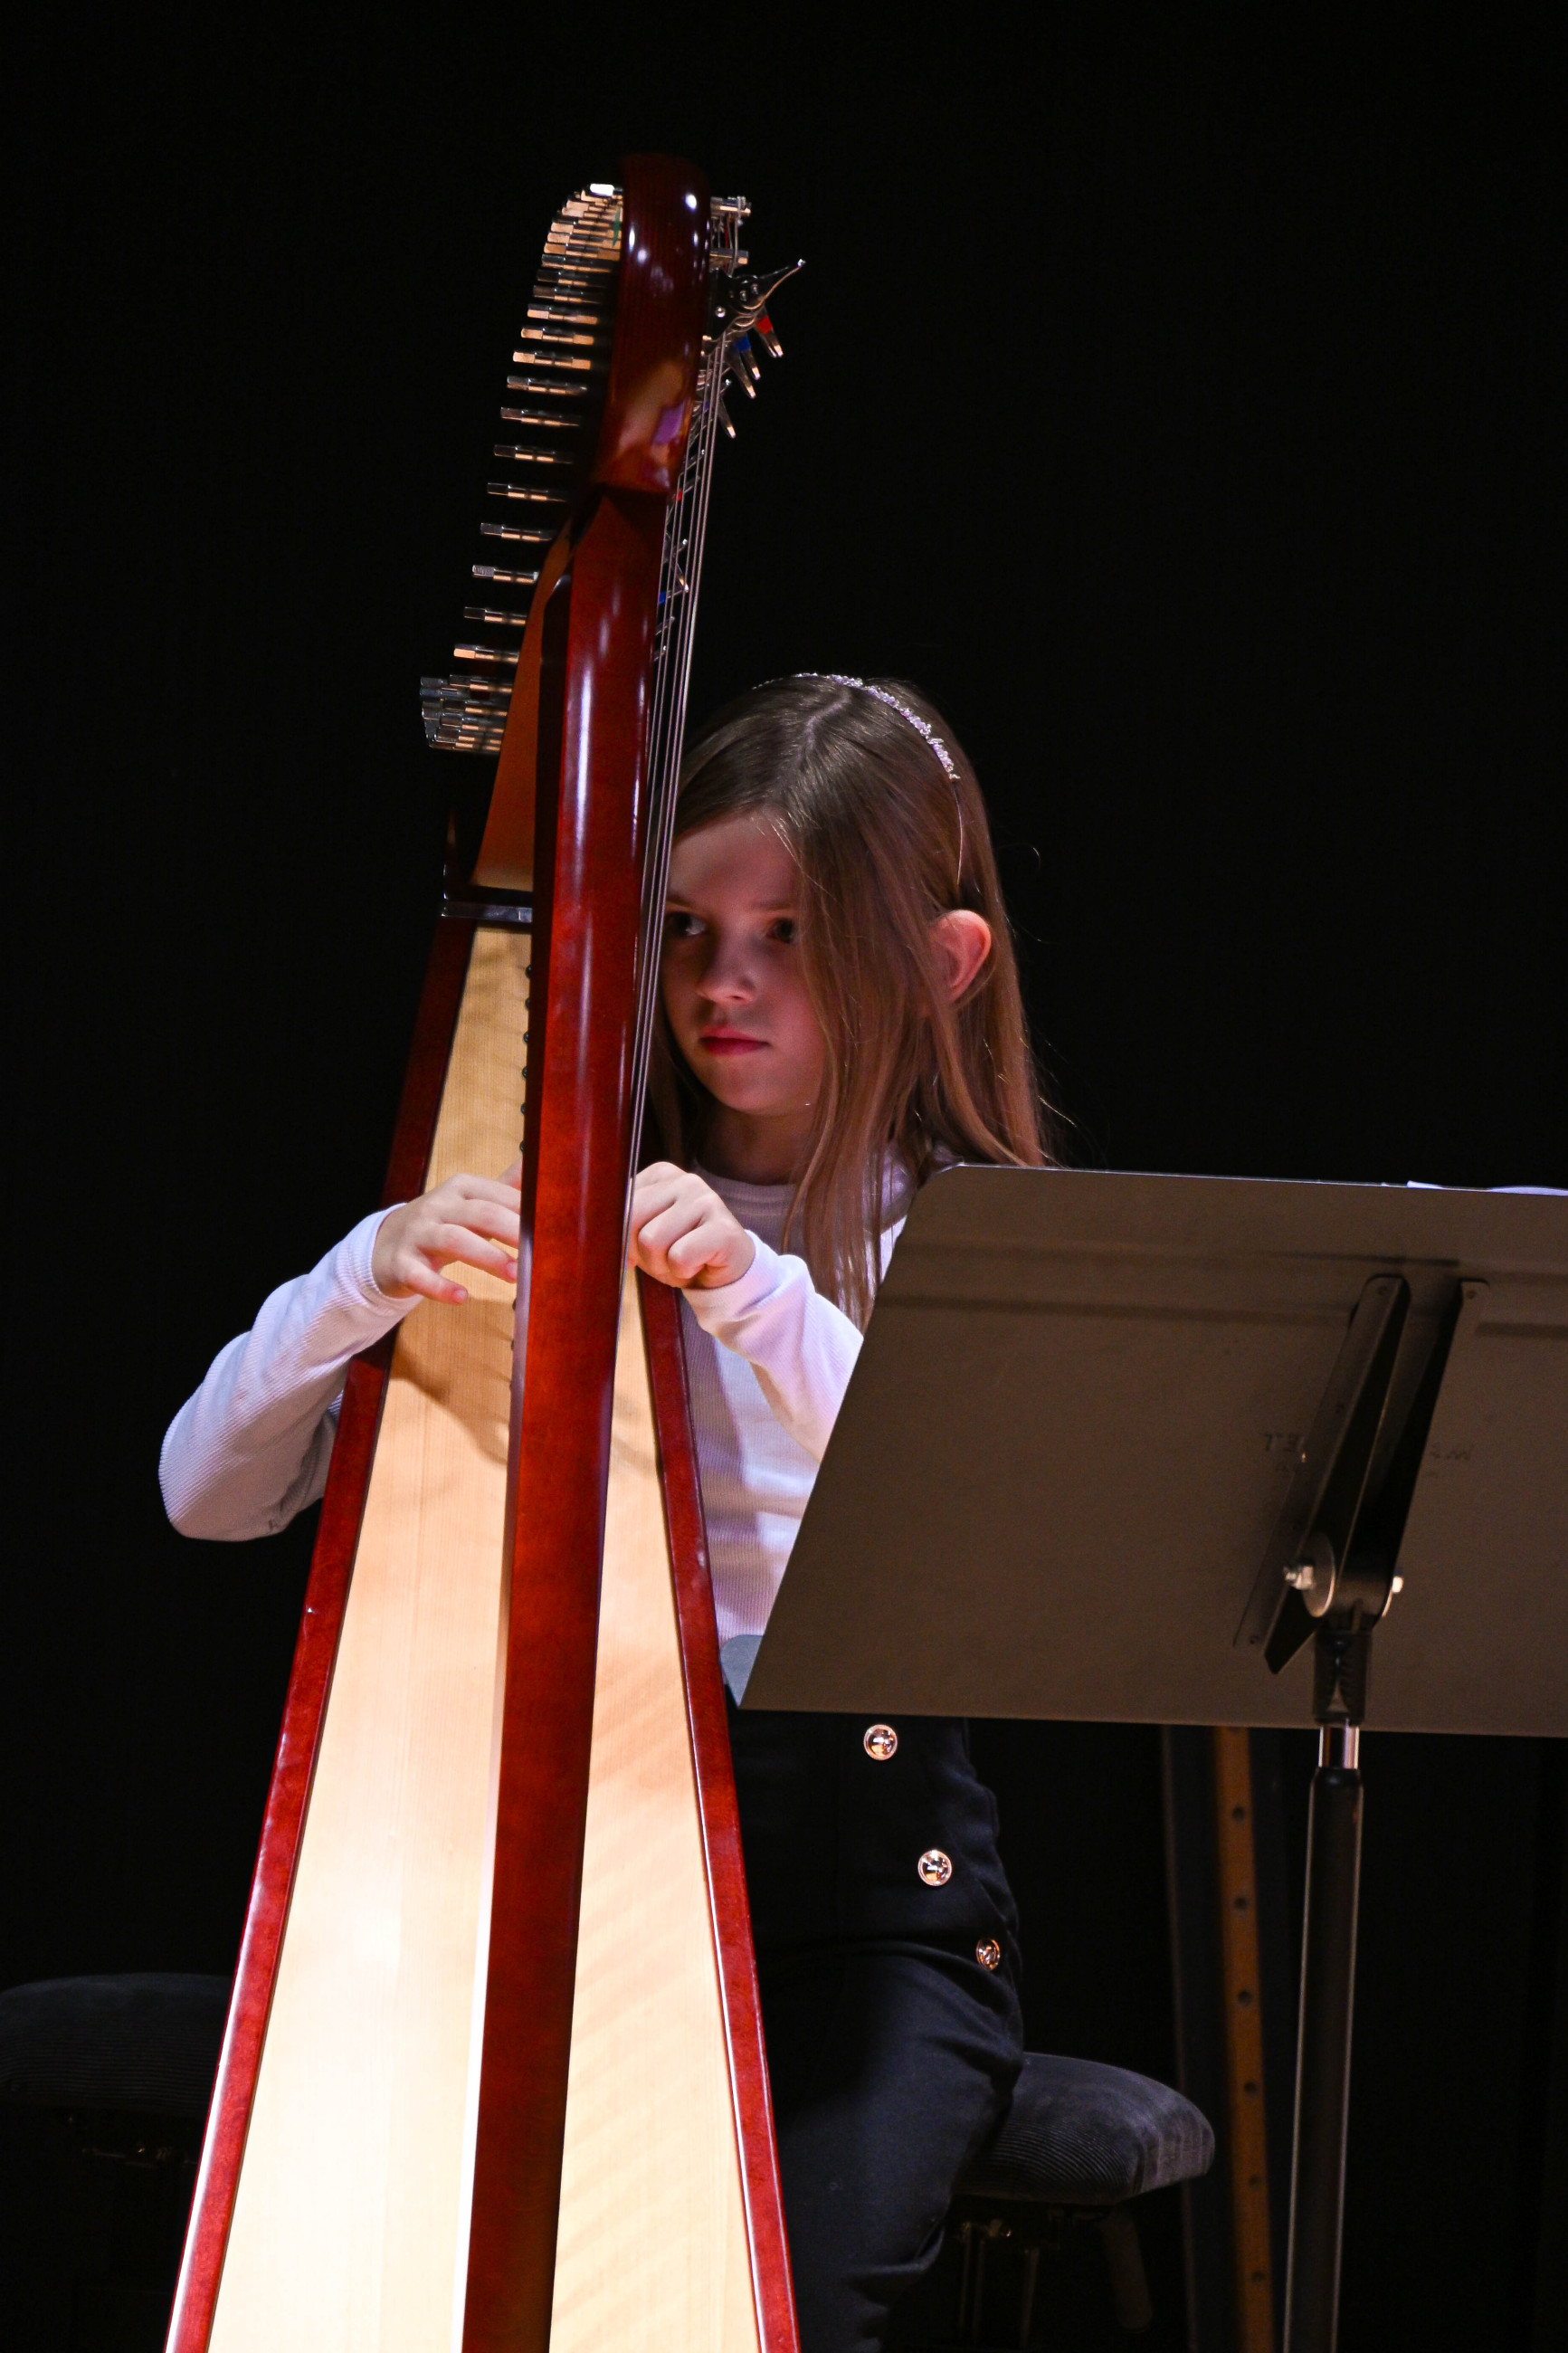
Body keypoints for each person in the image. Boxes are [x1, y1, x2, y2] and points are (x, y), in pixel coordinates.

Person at [160, 672, 1054, 2351]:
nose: (723, 984)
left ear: (941, 964)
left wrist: (756, 1293)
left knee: (775, 2307)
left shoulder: (964, 1237)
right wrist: (358, 1277)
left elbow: (966, 1533)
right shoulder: (549, 1205)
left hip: (866, 1930)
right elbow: (204, 1497)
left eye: (789, 937)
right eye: (687, 930)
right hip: (540, 1877)